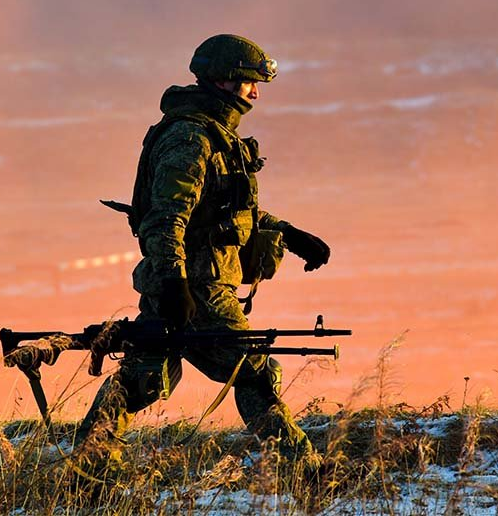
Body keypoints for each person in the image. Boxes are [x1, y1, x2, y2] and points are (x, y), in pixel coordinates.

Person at [76, 34, 330, 471]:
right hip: (197, 284)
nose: (256, 92)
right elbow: (165, 218)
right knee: (253, 369)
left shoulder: (214, 134)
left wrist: (288, 233)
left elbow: (226, 210)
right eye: (250, 81)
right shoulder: (191, 139)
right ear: (225, 80)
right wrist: (176, 284)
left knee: (146, 378)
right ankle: (301, 470)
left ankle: (88, 464)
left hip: (188, 280)